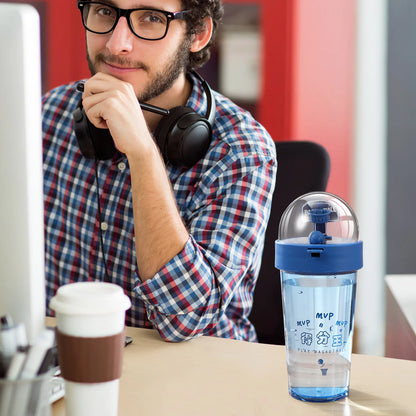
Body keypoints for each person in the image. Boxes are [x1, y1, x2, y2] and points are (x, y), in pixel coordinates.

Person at [42, 0, 277, 342]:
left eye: (151, 18)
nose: (116, 43)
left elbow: (184, 321)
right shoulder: (50, 113)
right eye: (105, 12)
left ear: (198, 34)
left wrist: (142, 153)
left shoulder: (242, 150)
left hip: (196, 376)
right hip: (70, 366)